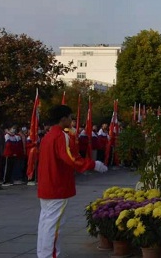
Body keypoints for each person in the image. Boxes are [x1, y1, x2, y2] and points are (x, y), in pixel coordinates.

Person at [37, 105, 107, 258]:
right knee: (54, 225)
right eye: (70, 117)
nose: (71, 120)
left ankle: (43, 254)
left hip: (47, 184)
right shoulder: (60, 136)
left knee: (46, 223)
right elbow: (71, 158)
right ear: (63, 119)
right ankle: (50, 255)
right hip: (57, 186)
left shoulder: (48, 136)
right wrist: (93, 164)